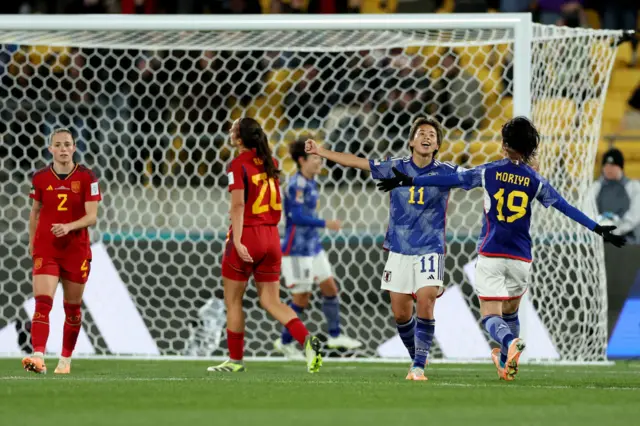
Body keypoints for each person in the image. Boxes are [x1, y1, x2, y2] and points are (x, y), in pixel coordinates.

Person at [377, 116, 626, 380]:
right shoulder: (534, 180)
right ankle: (506, 364)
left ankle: (508, 342)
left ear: (505, 145)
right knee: (512, 311)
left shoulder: (489, 171)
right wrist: (596, 228)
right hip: (521, 257)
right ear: (530, 148)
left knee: (491, 317)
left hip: (491, 253)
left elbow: (449, 180)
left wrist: (412, 182)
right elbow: (565, 207)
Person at [306, 116, 460, 381]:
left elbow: (478, 177)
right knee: (401, 314)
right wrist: (322, 152)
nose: (426, 137)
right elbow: (358, 162)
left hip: (430, 249)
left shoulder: (447, 172)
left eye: (432, 135)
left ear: (437, 145)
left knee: (426, 300)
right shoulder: (395, 167)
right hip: (398, 250)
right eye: (421, 133)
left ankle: (419, 367)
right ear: (411, 141)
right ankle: (418, 358)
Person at [207, 118, 322, 374]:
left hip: (248, 235)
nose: (229, 131)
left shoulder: (237, 165)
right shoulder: (273, 163)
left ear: (239, 139)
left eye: (233, 129)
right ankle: (306, 340)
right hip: (271, 237)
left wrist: (237, 240)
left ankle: (235, 361)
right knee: (271, 301)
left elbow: (237, 205)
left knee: (233, 301)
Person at [22, 128, 102, 375]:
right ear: (51, 149)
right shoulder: (40, 178)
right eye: (58, 145)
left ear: (75, 147)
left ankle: (65, 360)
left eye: (68, 144)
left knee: (73, 309)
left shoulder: (88, 177)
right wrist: (32, 241)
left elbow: (92, 217)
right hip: (47, 248)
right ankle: (37, 356)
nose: (63, 149)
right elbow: (35, 210)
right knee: (42, 303)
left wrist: (68, 227)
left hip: (76, 250)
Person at [275, 140, 363, 360]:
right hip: (296, 250)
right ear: (302, 160)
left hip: (313, 247)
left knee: (330, 287)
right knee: (301, 299)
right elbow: (295, 217)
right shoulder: (296, 184)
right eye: (315, 157)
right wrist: (326, 223)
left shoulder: (311, 183)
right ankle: (284, 342)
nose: (319, 160)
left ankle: (334, 335)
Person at [588, 148, 640, 244]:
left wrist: (617, 230)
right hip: (600, 238)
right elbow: (587, 210)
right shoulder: (595, 187)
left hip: (628, 240)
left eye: (613, 166)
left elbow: (635, 215)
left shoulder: (633, 186)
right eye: (606, 166)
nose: (609, 169)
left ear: (620, 167)